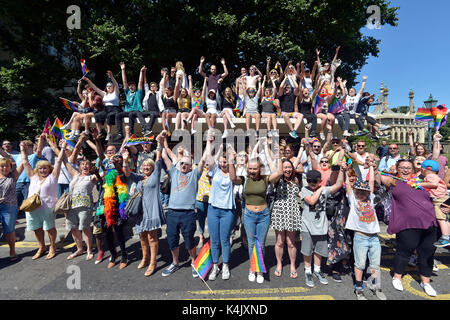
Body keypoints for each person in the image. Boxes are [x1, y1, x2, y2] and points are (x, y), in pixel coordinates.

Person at [377, 159, 438, 297]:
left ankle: (425, 282)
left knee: (427, 253)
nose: (405, 170)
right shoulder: (393, 181)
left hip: (429, 222)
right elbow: (378, 177)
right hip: (406, 223)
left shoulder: (421, 181)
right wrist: (376, 167)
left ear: (413, 170)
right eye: (402, 167)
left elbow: (432, 167)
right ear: (397, 169)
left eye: (408, 168)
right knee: (404, 251)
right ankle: (397, 277)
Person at [228, 139, 280, 284]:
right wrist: (231, 161)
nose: (252, 171)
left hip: (263, 215)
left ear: (259, 169)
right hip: (249, 215)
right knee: (251, 244)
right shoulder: (244, 179)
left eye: (255, 168)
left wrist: (277, 157)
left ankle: (260, 270)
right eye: (250, 168)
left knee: (261, 244)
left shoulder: (265, 179)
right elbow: (232, 177)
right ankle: (253, 269)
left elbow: (279, 172)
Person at [160, 131, 205, 277]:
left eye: (187, 164)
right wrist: (161, 142)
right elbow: (164, 156)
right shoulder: (174, 172)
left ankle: (194, 262)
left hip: (188, 214)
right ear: (179, 164)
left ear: (191, 166)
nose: (184, 165)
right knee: (172, 240)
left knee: (189, 241)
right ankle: (175, 263)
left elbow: (203, 160)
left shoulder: (194, 175)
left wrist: (209, 143)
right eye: (182, 163)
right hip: (172, 213)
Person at [344, 161, 386, 300]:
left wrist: (373, 168)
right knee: (360, 264)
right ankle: (359, 287)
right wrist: (345, 171)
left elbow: (371, 182)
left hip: (374, 238)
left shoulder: (371, 198)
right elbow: (349, 186)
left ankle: (376, 286)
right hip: (360, 238)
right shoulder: (353, 199)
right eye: (359, 191)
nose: (361, 193)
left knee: (375, 264)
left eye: (364, 191)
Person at [299, 163, 345, 287]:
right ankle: (308, 271)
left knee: (319, 250)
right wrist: (320, 189)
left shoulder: (324, 189)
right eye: (309, 180)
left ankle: (317, 270)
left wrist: (341, 170)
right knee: (307, 250)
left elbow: (338, 185)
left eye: (315, 180)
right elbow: (311, 201)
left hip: (321, 225)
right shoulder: (304, 189)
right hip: (307, 225)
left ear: (320, 180)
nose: (312, 183)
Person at [20, 140, 66, 260]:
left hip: (47, 208)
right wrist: (22, 149)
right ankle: (41, 247)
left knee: (49, 228)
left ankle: (52, 247)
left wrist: (63, 147)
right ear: (37, 169)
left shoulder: (53, 177)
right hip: (32, 207)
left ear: (49, 169)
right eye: (40, 168)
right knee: (36, 228)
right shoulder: (33, 177)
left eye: (45, 168)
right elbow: (25, 162)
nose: (42, 170)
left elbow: (59, 161)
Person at [203, 141, 237, 281]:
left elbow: (234, 178)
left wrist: (231, 159)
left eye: (225, 162)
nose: (223, 164)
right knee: (214, 240)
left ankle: (225, 265)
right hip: (213, 209)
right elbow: (208, 158)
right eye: (221, 162)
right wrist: (218, 148)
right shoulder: (214, 170)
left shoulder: (231, 172)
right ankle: (215, 265)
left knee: (225, 240)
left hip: (228, 210)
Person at [135, 133, 166, 276]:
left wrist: (160, 143)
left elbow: (158, 158)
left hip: (152, 211)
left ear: (153, 168)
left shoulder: (155, 175)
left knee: (152, 238)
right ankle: (145, 258)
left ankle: (153, 262)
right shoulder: (139, 179)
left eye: (149, 165)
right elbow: (125, 172)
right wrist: (123, 156)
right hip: (141, 213)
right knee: (142, 237)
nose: (146, 167)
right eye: (144, 165)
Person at [270, 154, 303, 279]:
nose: (288, 170)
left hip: (292, 213)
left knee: (291, 243)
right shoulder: (277, 179)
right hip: (279, 212)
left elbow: (299, 193)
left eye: (289, 167)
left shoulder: (295, 180)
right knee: (279, 242)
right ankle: (279, 264)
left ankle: (293, 265)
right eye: (285, 167)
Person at [64, 143, 97, 261]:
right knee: (74, 228)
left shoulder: (92, 177)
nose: (85, 166)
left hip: (85, 205)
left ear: (90, 167)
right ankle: (79, 249)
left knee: (85, 228)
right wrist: (63, 148)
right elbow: (65, 161)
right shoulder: (76, 175)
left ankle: (89, 250)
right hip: (72, 205)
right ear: (80, 166)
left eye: (87, 165)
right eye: (83, 164)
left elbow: (102, 175)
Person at [418, 160, 450, 248]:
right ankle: (447, 235)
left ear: (423, 169)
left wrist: (419, 184)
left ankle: (445, 238)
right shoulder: (434, 175)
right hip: (442, 198)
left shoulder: (430, 176)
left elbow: (434, 184)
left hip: (439, 200)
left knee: (440, 219)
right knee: (445, 219)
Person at [83, 70, 121, 141]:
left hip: (115, 109)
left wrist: (111, 77)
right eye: (107, 86)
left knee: (109, 116)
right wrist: (88, 80)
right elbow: (95, 88)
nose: (108, 87)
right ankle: (100, 132)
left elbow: (116, 84)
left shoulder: (115, 93)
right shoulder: (104, 94)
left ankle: (109, 133)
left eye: (110, 86)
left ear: (113, 87)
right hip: (106, 109)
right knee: (97, 115)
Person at [13, 137, 45, 216]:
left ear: (29, 146)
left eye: (24, 145)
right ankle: (14, 218)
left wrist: (41, 139)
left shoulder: (34, 156)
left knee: (29, 202)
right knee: (14, 202)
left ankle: (31, 218)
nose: (22, 146)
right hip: (18, 182)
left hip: (29, 182)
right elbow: (4, 154)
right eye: (21, 145)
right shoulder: (17, 156)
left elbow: (39, 149)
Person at [0, 152, 23, 261]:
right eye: (2, 166)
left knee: (9, 230)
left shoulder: (13, 176)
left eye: (7, 166)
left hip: (9, 207)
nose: (4, 168)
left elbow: (23, 164)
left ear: (10, 167)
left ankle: (12, 251)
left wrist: (23, 150)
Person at [117, 64, 151, 139]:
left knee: (131, 114)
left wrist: (141, 72)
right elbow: (124, 81)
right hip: (128, 111)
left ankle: (131, 133)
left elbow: (140, 81)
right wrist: (123, 69)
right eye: (130, 86)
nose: (131, 87)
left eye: (132, 85)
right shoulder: (127, 93)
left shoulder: (138, 93)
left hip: (136, 111)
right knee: (118, 115)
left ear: (135, 87)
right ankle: (119, 133)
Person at [142, 68, 164, 135]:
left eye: (154, 86)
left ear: (156, 88)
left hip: (156, 112)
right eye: (151, 86)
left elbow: (162, 85)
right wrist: (144, 73)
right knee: (138, 113)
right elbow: (145, 83)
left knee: (152, 114)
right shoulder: (148, 93)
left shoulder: (158, 93)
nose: (152, 87)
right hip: (148, 112)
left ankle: (148, 129)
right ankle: (144, 127)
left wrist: (164, 76)